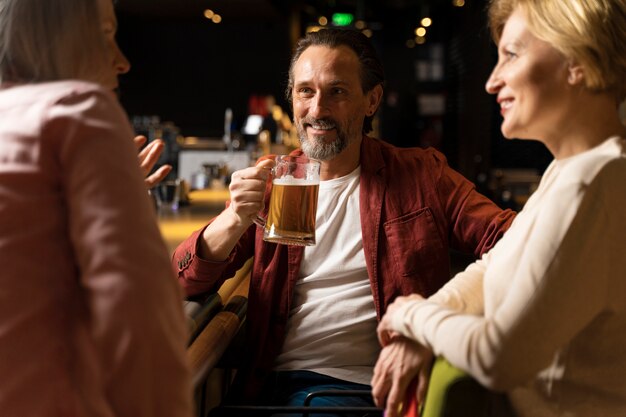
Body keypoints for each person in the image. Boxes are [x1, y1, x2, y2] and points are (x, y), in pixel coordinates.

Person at [173, 28, 515, 412]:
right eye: (306, 91)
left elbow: (516, 243)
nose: (317, 109)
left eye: (336, 91)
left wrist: (437, 322)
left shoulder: (421, 175)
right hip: (268, 391)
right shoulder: (274, 178)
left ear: (372, 100)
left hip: (361, 392)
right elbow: (180, 282)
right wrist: (234, 217)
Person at [373, 0, 626, 416]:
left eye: (511, 54)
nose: (492, 82)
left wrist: (412, 316)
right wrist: (426, 323)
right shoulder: (569, 170)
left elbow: (498, 357)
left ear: (578, 60)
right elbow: (492, 266)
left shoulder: (593, 184)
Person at [0, 0, 194, 415]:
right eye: (107, 35)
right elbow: (140, 323)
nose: (121, 62)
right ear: (57, 36)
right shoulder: (77, 108)